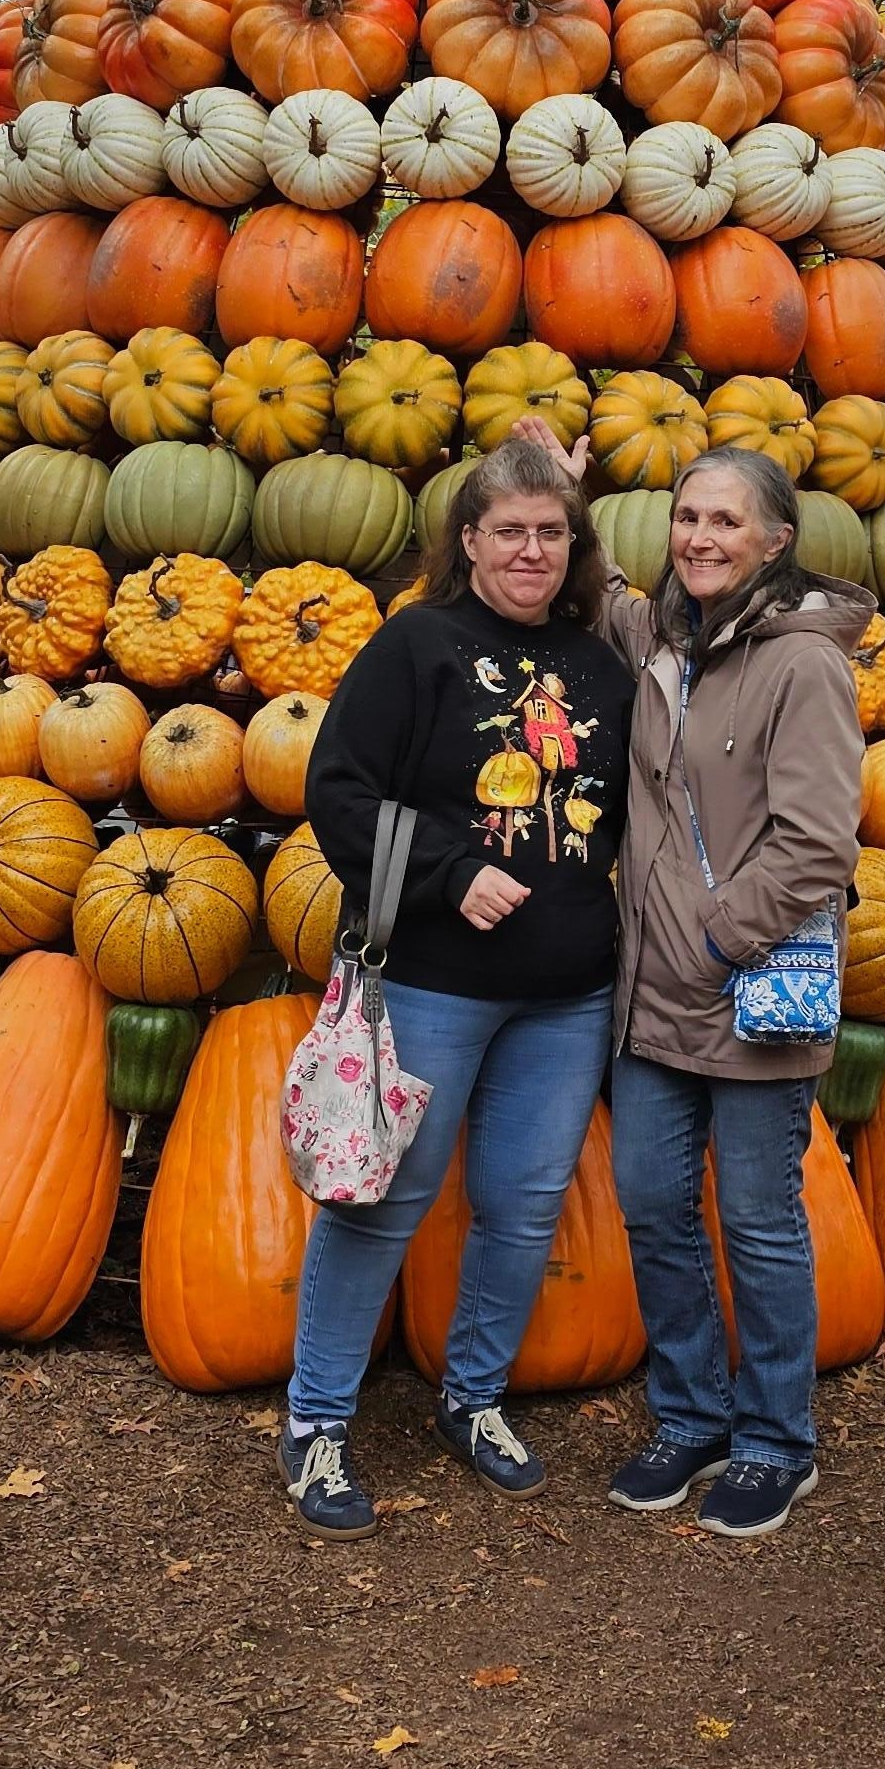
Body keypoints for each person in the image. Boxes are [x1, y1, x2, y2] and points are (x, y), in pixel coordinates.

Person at [280, 434, 636, 1535]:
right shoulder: (415, 648)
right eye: (509, 530)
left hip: (565, 995)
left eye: (550, 531)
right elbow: (335, 790)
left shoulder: (601, 669)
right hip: (433, 982)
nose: (531, 549)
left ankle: (473, 1401)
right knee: (382, 1202)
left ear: (573, 547)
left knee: (525, 1208)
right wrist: (451, 871)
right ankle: (317, 1423)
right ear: (469, 540)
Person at [596, 443, 867, 1539]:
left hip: (745, 989)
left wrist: (713, 942)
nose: (700, 538)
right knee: (655, 1207)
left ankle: (774, 1441)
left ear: (775, 539)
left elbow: (815, 846)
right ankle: (694, 1413)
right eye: (686, 518)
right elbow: (601, 594)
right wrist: (558, 489)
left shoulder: (803, 664)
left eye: (724, 521)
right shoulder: (664, 635)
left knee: (758, 1222)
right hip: (650, 1005)